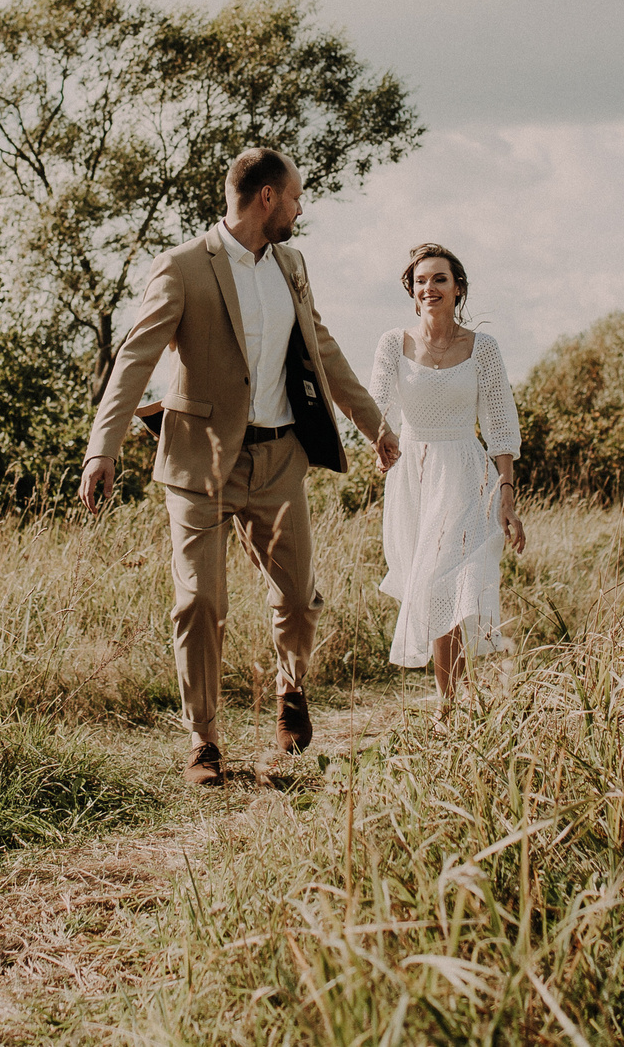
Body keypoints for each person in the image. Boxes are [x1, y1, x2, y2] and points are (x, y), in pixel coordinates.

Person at [78, 147, 397, 785]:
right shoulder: (184, 268)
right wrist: (101, 447)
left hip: (281, 457)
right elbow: (135, 360)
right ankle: (204, 743)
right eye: (297, 196)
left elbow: (321, 346)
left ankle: (291, 688)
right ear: (267, 199)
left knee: (299, 598)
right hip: (200, 460)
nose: (302, 207)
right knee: (199, 602)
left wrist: (374, 426)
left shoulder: (294, 265)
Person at [369, 242, 524, 704]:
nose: (429, 287)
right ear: (412, 291)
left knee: (451, 582)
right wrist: (380, 440)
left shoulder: (483, 348)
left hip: (467, 476)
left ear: (458, 288)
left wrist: (508, 495)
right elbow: (374, 406)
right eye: (421, 280)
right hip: (414, 478)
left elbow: (500, 424)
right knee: (435, 583)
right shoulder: (393, 343)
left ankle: (449, 703)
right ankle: (453, 699)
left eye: (440, 279)